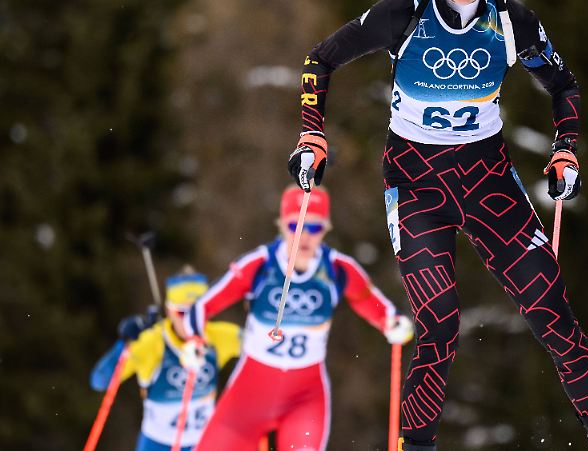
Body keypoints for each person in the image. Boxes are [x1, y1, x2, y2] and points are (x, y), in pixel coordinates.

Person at [287, 0, 588, 451]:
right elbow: (319, 60)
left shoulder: (512, 21)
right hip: (416, 182)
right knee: (439, 324)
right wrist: (312, 135)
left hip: (487, 178)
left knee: (550, 308)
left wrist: (565, 150)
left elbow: (563, 85)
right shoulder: (404, 12)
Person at [184, 186, 414, 451]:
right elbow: (203, 307)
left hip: (305, 398)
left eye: (314, 227)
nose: (304, 236)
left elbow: (368, 300)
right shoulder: (260, 265)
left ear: (325, 229)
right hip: (248, 397)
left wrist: (391, 323)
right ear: (282, 225)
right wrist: (193, 340)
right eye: (296, 226)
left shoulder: (337, 269)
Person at [90, 268, 241, 451]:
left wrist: (261, 310)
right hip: (157, 444)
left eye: (198, 313)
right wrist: (124, 344)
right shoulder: (152, 342)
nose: (191, 322)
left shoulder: (218, 336)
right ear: (170, 310)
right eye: (183, 313)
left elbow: (264, 341)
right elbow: (100, 381)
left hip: (202, 443)